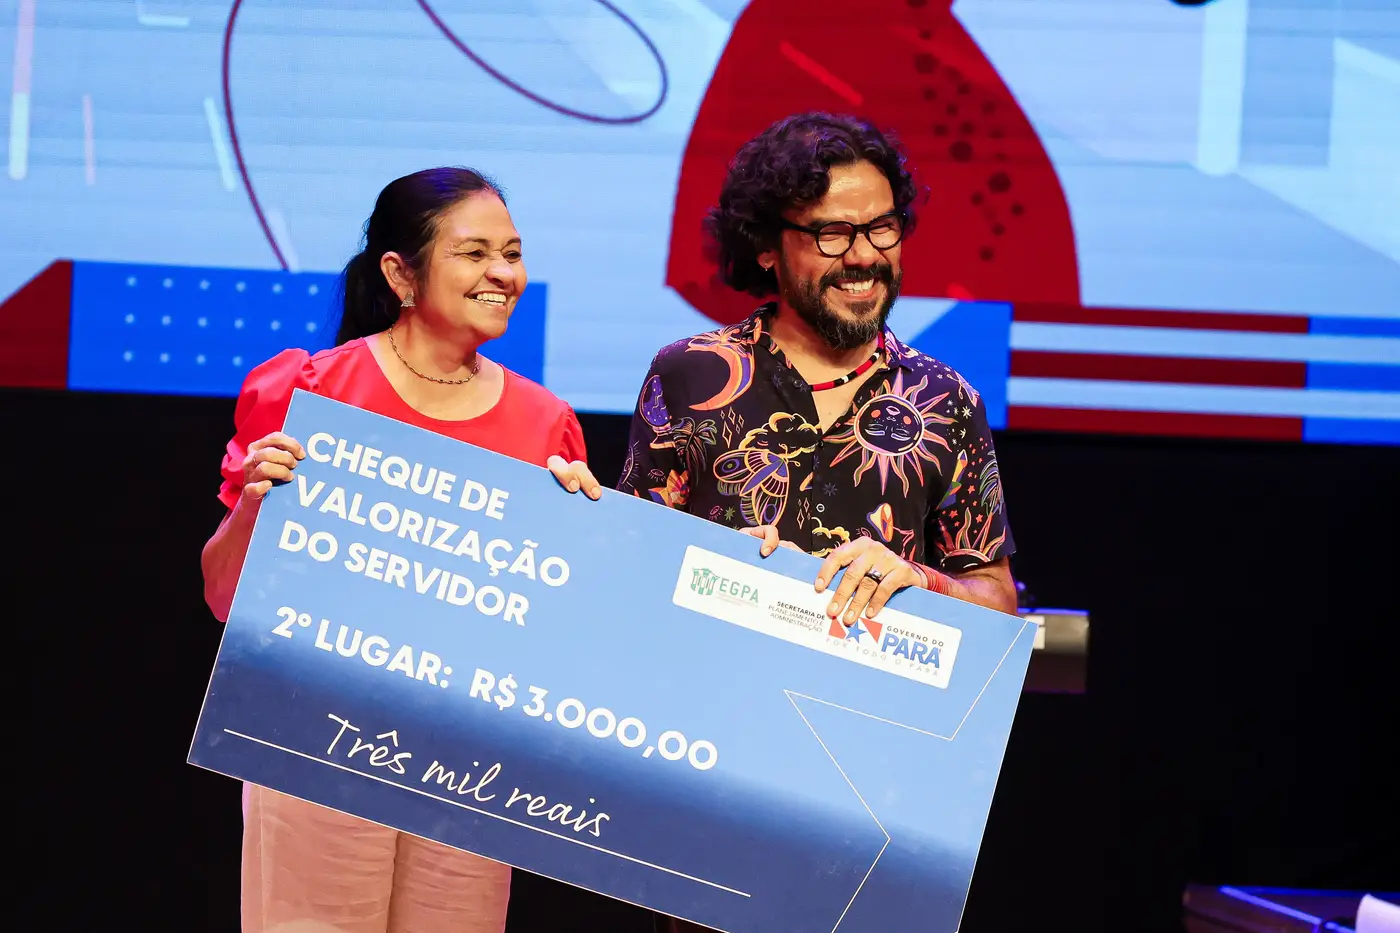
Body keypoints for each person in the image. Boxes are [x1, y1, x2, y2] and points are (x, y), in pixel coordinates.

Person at [625, 107, 1020, 933]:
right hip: (711, 780)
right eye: (833, 234)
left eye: (882, 227)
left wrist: (921, 579)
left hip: (877, 795)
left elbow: (997, 604)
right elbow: (625, 577)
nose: (865, 255)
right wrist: (709, 566)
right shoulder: (692, 374)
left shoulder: (947, 400)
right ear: (768, 246)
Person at [200, 167, 601, 933]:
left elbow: (553, 636)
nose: (503, 273)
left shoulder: (545, 424)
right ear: (400, 273)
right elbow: (223, 598)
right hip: (313, 743)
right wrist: (254, 506)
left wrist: (582, 548)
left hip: (469, 763)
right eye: (475, 253)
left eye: (512, 253)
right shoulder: (314, 393)